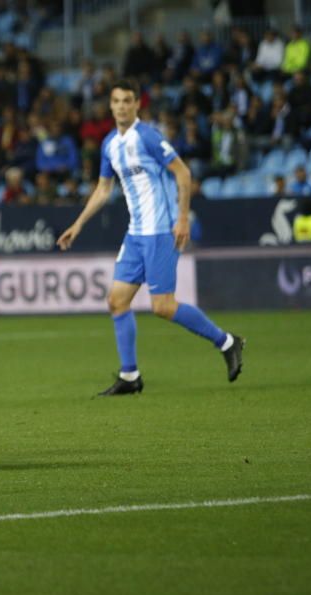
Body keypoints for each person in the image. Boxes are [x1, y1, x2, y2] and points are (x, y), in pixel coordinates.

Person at [56, 79, 244, 395]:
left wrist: (182, 218)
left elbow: (183, 173)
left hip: (161, 231)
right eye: (116, 101)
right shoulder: (109, 144)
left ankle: (226, 342)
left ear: (137, 105)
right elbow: (104, 188)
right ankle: (130, 377)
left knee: (162, 305)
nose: (121, 106)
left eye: (127, 100)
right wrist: (78, 224)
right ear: (111, 105)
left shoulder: (148, 136)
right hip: (136, 234)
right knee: (117, 301)